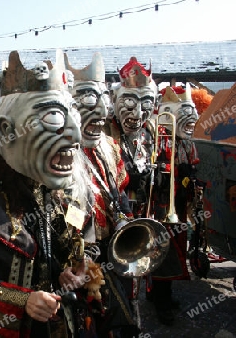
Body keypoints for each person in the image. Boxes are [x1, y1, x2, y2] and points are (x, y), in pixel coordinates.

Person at [0, 50, 85, 337]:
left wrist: (63, 273)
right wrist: (23, 300)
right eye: (54, 118)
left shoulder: (50, 192)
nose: (75, 135)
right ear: (7, 130)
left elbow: (45, 256)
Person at [65, 52, 140, 337]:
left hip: (111, 243)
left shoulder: (108, 145)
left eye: (101, 101)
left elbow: (117, 189)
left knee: (119, 308)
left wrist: (125, 220)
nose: (99, 113)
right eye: (86, 101)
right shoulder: (59, 152)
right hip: (79, 253)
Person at [146, 84, 200, 325]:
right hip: (162, 205)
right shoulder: (160, 140)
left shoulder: (187, 143)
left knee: (175, 250)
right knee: (163, 252)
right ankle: (160, 300)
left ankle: (163, 294)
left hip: (177, 206)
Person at [107, 57, 161, 219]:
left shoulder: (151, 132)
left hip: (143, 207)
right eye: (129, 102)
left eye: (146, 104)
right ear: (113, 98)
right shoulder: (104, 133)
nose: (137, 114)